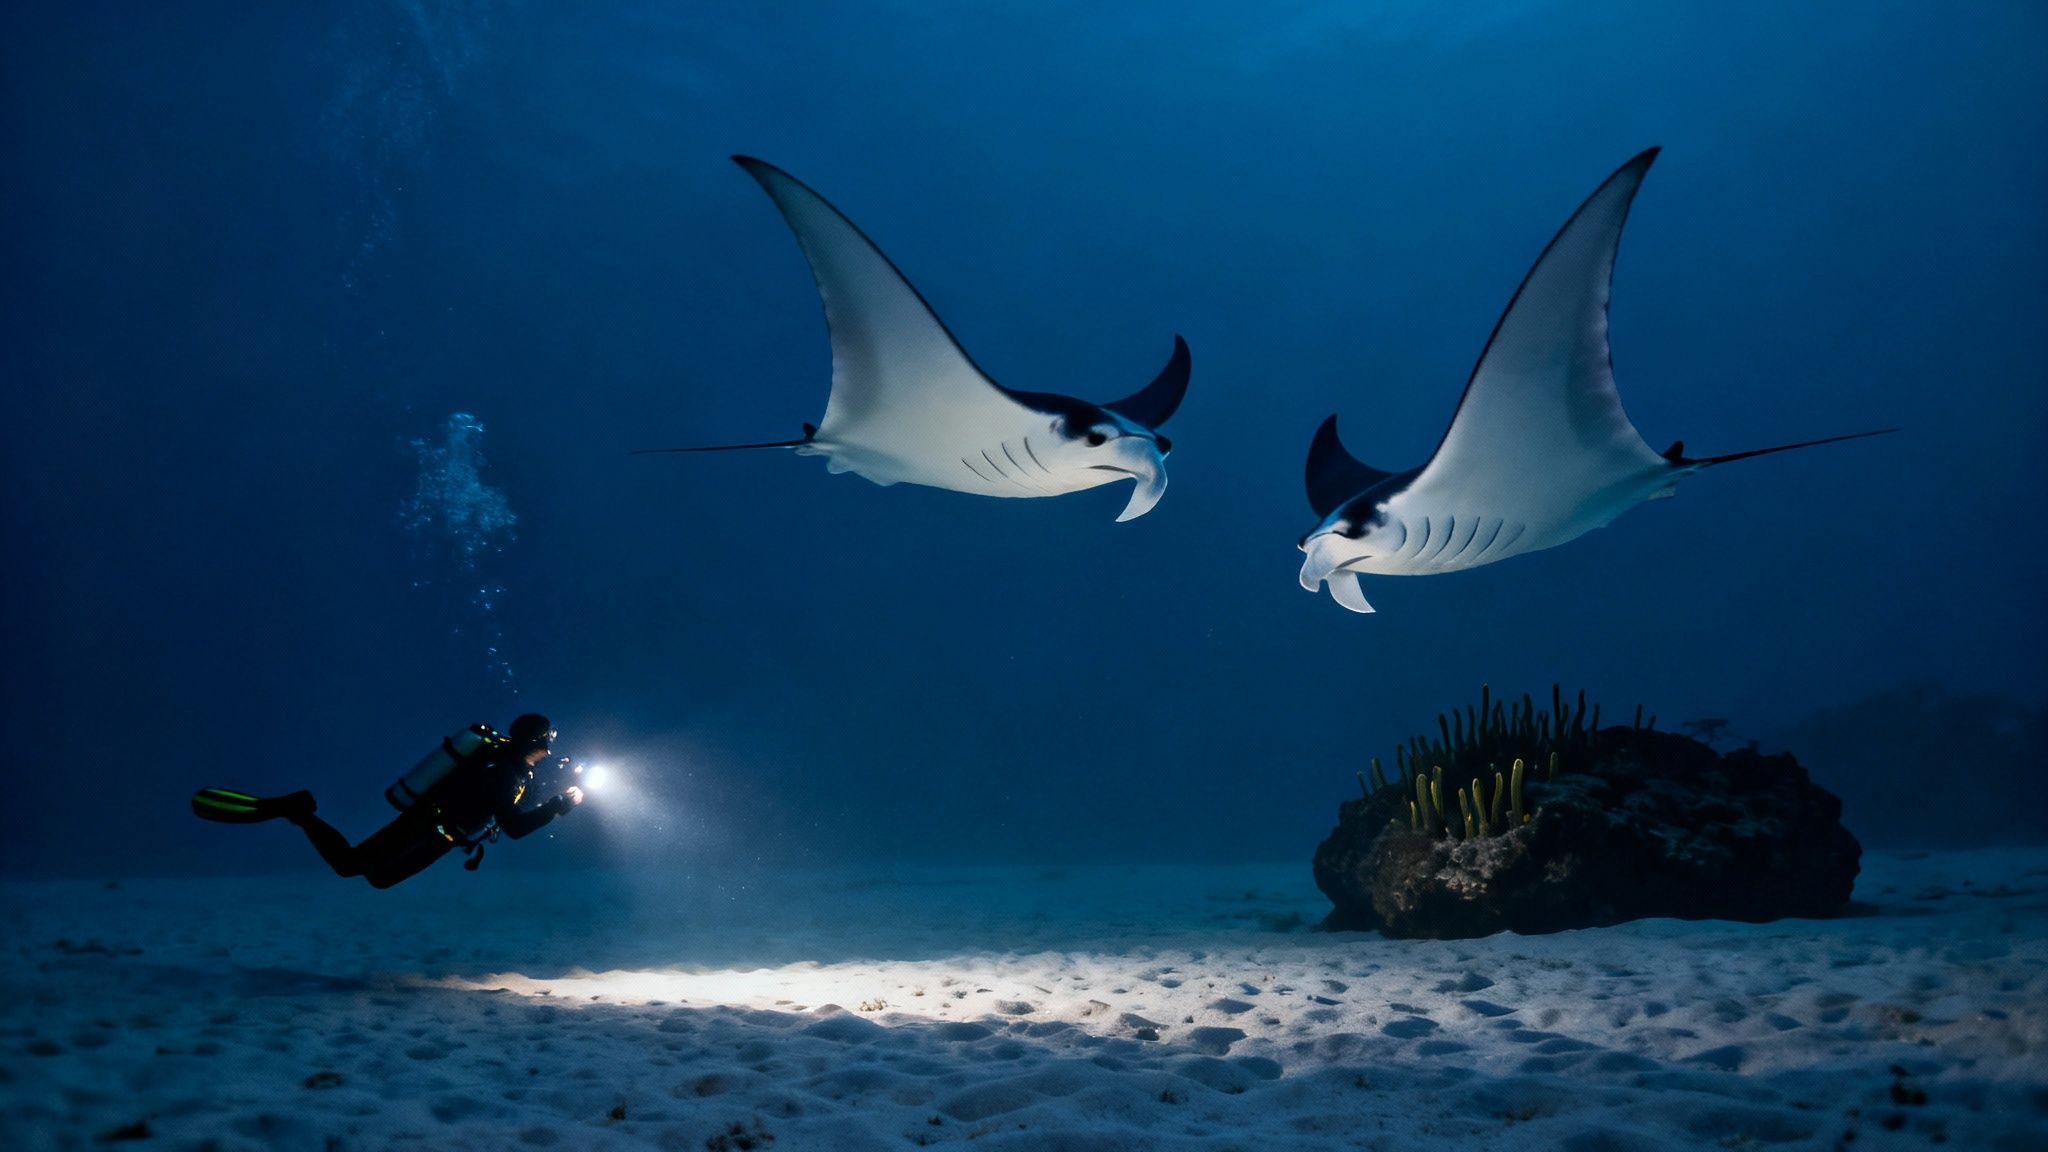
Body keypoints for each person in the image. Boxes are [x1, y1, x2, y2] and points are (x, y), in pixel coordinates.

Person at [192, 713, 584, 888]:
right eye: (549, 738)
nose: (552, 743)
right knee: (350, 866)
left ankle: (298, 813)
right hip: (429, 826)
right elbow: (514, 827)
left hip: (438, 832)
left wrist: (555, 792)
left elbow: (515, 801)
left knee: (378, 877)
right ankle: (297, 811)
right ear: (536, 742)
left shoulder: (512, 768)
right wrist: (558, 807)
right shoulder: (505, 771)